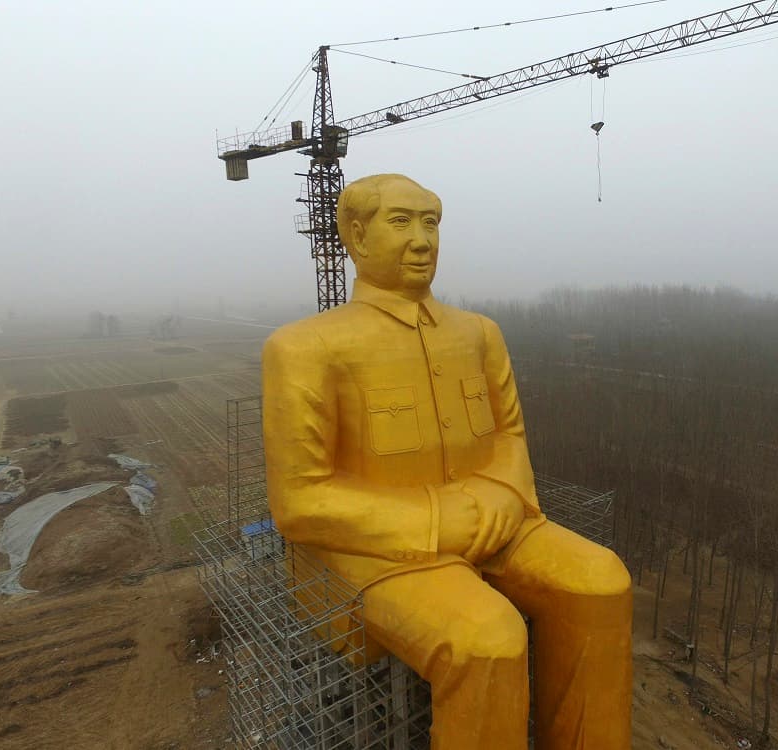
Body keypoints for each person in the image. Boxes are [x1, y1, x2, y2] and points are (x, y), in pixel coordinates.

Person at [262, 173, 631, 750]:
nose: (422, 240)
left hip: (497, 521)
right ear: (356, 236)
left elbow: (509, 435)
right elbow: (300, 499)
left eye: (430, 223)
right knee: (487, 636)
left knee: (600, 581)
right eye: (401, 222)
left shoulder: (479, 334)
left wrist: (507, 497)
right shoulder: (305, 348)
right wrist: (438, 520)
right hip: (376, 551)